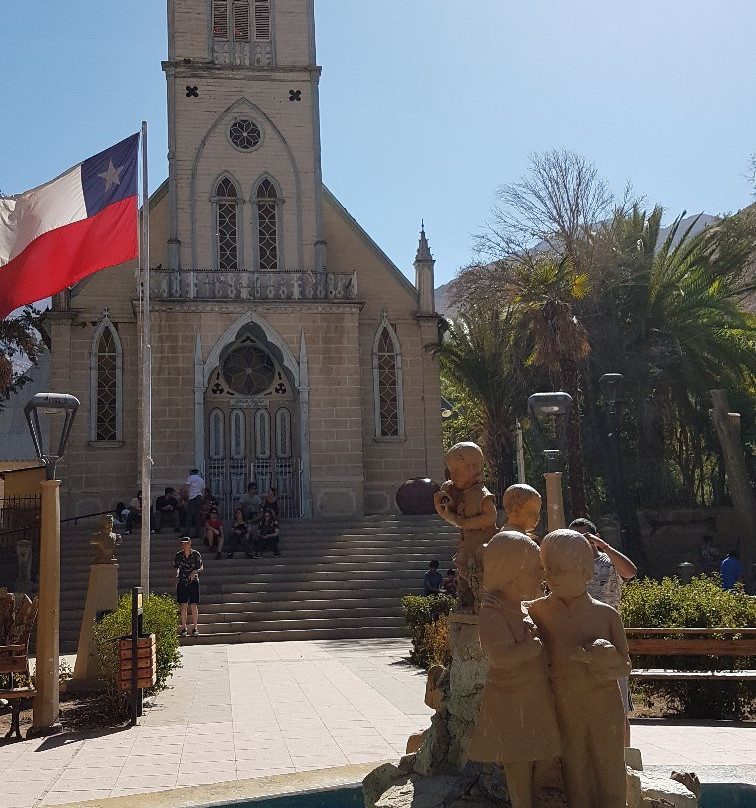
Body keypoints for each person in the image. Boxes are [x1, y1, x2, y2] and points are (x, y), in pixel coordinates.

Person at [528, 529, 631, 808]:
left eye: (563, 569)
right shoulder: (537, 612)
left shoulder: (606, 615)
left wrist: (605, 660)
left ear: (587, 571)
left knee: (610, 769)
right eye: (549, 569)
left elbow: (625, 665)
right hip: (565, 705)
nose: (554, 576)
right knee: (576, 773)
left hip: (604, 705)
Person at [468, 531, 561, 808]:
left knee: (547, 750)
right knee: (518, 759)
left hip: (534, 693)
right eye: (535, 571)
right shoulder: (493, 612)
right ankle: (523, 802)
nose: (540, 578)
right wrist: (528, 650)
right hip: (510, 697)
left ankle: (530, 798)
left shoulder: (521, 608)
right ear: (511, 573)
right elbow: (498, 657)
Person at [569, 517, 636, 745]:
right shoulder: (569, 566)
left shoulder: (609, 562)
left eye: (585, 537)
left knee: (619, 706)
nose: (581, 542)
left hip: (610, 642)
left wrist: (604, 546)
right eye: (575, 538)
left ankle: (625, 759)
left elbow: (630, 572)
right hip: (579, 643)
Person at [433, 442, 498, 607]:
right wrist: (444, 509)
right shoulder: (460, 493)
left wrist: (465, 522)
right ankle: (466, 604)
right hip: (467, 547)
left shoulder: (481, 494)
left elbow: (490, 517)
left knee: (479, 578)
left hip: (481, 548)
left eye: (457, 471)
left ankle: (481, 606)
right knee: (464, 579)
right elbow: (454, 519)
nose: (452, 476)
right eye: (450, 472)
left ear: (475, 469)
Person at [174, 536, 203, 636]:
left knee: (194, 604)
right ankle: (184, 627)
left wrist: (194, 571)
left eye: (186, 543)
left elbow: (201, 567)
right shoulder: (179, 555)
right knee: (183, 605)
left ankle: (195, 627)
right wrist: (177, 574)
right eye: (183, 543)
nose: (184, 545)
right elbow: (177, 566)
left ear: (190, 543)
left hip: (193, 581)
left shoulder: (195, 554)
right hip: (182, 581)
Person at [185, 469, 205, 538]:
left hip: (193, 498)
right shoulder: (201, 479)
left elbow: (187, 487)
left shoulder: (191, 477)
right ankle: (198, 533)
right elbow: (203, 490)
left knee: (189, 516)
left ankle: (187, 532)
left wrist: (186, 496)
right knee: (197, 516)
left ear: (191, 472)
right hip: (199, 497)